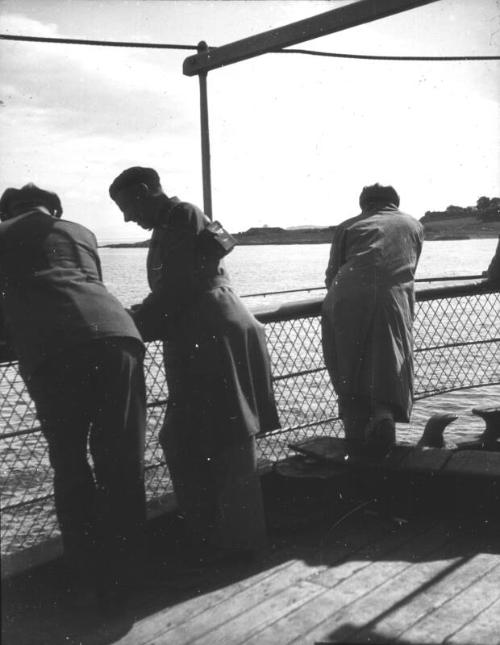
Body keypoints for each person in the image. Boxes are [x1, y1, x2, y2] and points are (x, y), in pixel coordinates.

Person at [109, 166, 279, 564]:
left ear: (147, 191)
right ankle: (208, 535)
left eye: (127, 206)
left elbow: (182, 284)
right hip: (200, 334)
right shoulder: (170, 224)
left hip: (214, 332)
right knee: (187, 438)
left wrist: (131, 321)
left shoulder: (182, 215)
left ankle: (239, 546)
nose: (126, 218)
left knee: (230, 439)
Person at [0, 184, 147, 603]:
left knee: (70, 466)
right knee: (121, 464)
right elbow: (86, 284)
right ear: (55, 209)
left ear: (6, 212)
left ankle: (87, 579)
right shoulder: (81, 231)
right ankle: (131, 577)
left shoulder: (3, 233)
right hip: (118, 337)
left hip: (55, 350)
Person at [321, 183, 424, 453]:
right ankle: (383, 415)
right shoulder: (414, 226)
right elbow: (408, 267)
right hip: (393, 301)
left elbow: (332, 274)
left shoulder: (348, 227)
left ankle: (355, 438)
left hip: (345, 298)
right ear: (395, 203)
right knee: (388, 360)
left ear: (364, 204)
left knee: (349, 366)